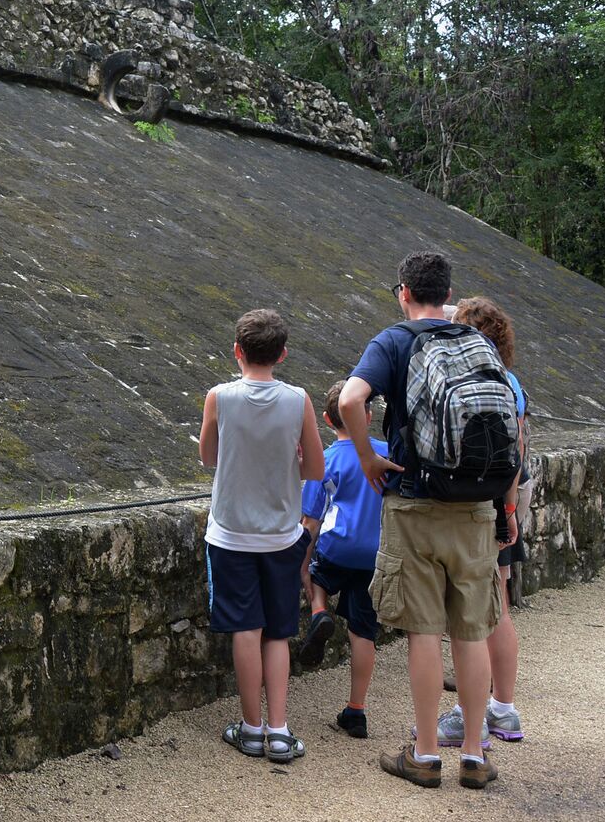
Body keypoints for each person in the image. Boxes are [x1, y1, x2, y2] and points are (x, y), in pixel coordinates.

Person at [337, 251, 506, 790]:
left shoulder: (393, 341)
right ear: (447, 291)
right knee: (472, 630)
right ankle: (476, 755)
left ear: (404, 291)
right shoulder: (474, 341)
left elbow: (350, 400)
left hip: (414, 501)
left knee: (424, 631)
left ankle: (427, 755)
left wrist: (367, 456)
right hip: (476, 506)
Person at [201, 308, 324, 764]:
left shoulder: (219, 397)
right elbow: (315, 469)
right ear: (283, 353)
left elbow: (208, 456)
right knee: (277, 632)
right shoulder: (299, 400)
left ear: (237, 351)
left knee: (245, 629)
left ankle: (250, 729)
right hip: (280, 535)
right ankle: (279, 730)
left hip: (231, 535)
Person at [438, 295, 529, 747]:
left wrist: (501, 513)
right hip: (505, 497)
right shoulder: (510, 381)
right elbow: (519, 452)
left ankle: (467, 717)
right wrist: (511, 510)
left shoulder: (468, 377)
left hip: (482, 502)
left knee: (469, 613)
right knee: (499, 606)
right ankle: (503, 710)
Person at [297, 381, 388, 738]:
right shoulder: (386, 451)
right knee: (363, 631)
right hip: (374, 553)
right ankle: (356, 710)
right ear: (367, 414)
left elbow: (310, 521)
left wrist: (302, 567)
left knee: (318, 577)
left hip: (337, 546)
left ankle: (320, 613)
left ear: (325, 418)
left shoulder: (328, 460)